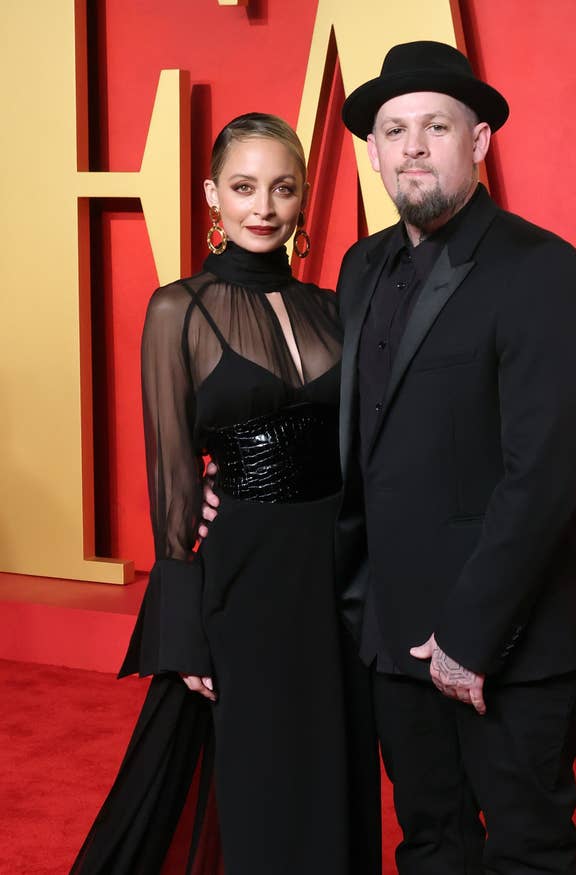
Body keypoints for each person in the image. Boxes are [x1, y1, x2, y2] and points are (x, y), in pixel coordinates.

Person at [206, 41, 576, 874]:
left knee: (528, 851)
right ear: (375, 151)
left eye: (435, 126)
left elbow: (543, 477)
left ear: (480, 140)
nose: (412, 146)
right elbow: (347, 434)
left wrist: (469, 636)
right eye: (393, 130)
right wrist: (231, 480)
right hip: (387, 637)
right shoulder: (359, 267)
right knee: (429, 844)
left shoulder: (543, 270)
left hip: (507, 646)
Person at [71, 113, 380, 875]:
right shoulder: (178, 309)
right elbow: (174, 483)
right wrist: (183, 633)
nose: (263, 207)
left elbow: (363, 451)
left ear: (305, 195)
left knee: (334, 765)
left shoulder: (335, 306)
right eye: (243, 188)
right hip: (245, 577)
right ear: (213, 195)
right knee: (260, 774)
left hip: (336, 578)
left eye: (282, 188)